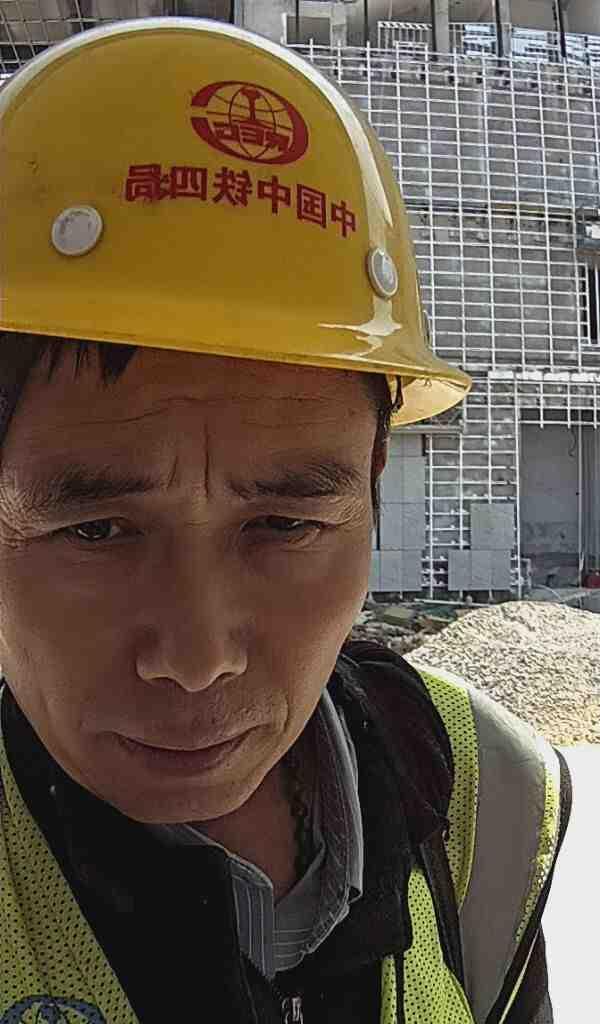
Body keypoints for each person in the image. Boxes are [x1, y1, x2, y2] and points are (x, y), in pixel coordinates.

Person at [0, 18, 570, 1024]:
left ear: (373, 483)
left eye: (285, 524)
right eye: (96, 531)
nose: (197, 658)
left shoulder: (479, 790)